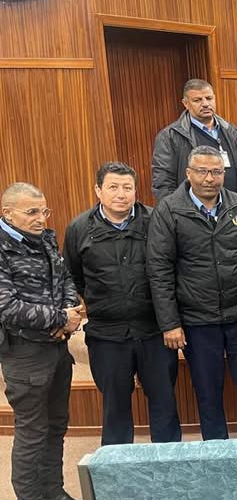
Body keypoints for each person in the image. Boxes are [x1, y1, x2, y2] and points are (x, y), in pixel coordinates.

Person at [147, 147, 237, 440]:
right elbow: (159, 270)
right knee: (208, 392)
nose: (209, 178)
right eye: (202, 171)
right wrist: (170, 323)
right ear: (188, 173)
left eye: (216, 172)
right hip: (197, 319)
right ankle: (216, 451)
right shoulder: (169, 210)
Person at [64, 162, 181, 446]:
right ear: (98, 190)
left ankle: (170, 464)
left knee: (165, 402)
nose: (121, 194)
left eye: (127, 187)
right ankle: (115, 466)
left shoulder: (156, 221)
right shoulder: (79, 228)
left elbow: (173, 268)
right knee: (115, 407)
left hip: (154, 330)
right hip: (107, 334)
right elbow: (73, 275)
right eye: (113, 187)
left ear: (135, 190)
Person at [0, 182, 83, 500]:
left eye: (43, 211)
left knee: (56, 425)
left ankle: (53, 492)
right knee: (32, 431)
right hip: (25, 354)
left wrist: (69, 313)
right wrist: (60, 318)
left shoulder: (45, 239)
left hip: (56, 347)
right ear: (8, 213)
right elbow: (7, 307)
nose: (40, 218)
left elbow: (65, 280)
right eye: (31, 212)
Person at [151, 79, 237, 202]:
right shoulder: (170, 137)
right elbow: (163, 184)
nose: (205, 104)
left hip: (233, 206)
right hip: (192, 210)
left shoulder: (232, 131)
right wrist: (176, 210)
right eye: (197, 100)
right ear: (186, 103)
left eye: (209, 98)